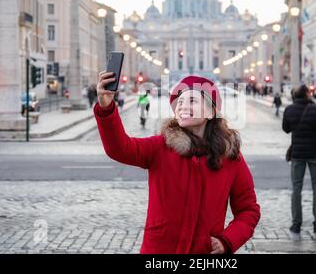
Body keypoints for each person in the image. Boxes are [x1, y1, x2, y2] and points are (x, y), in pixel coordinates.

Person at [94, 73, 261, 254]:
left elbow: (248, 210)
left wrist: (227, 241)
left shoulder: (230, 157)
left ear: (211, 111)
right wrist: (106, 107)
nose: (182, 106)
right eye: (179, 102)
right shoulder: (160, 147)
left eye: (192, 101)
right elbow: (119, 148)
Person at [282, 84, 316, 235]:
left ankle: (296, 224)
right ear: (308, 94)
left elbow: (286, 129)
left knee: (296, 189)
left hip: (297, 154)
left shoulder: (289, 109)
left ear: (295, 96)